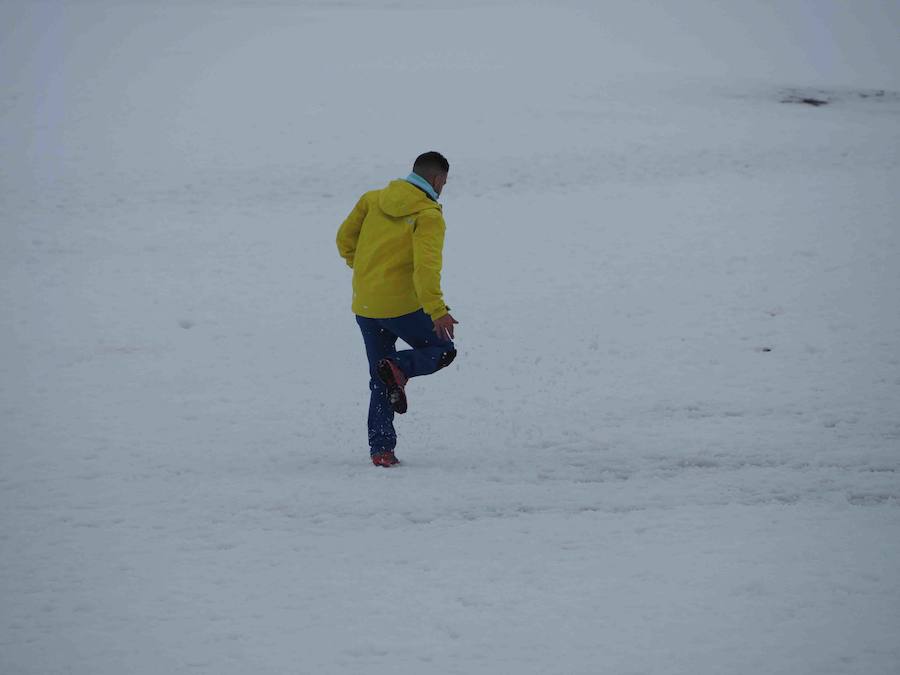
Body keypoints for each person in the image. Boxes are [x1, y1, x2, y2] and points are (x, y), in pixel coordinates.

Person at [336, 151, 459, 467]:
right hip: (402, 306)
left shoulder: (372, 199)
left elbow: (343, 240)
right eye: (444, 182)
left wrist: (365, 270)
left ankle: (381, 450)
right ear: (436, 179)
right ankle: (400, 367)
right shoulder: (428, 215)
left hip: (365, 303)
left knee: (381, 376)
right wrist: (436, 309)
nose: (443, 187)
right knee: (443, 349)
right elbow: (426, 268)